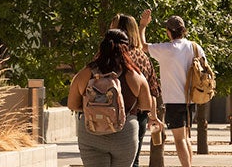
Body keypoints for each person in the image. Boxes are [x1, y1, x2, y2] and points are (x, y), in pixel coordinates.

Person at [68, 29, 162, 167]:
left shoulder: (86, 73)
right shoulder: (134, 76)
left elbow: (72, 105)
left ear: (102, 46)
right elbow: (146, 105)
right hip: (124, 133)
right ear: (126, 49)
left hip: (91, 130)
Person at [139, 9, 200, 167]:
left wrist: (142, 26)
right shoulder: (194, 47)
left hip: (174, 100)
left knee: (179, 139)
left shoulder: (166, 49)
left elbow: (142, 46)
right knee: (186, 138)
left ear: (168, 32)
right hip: (191, 99)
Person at [112, 14, 161, 167]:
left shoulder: (109, 55)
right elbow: (152, 91)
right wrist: (153, 116)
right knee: (133, 161)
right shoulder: (142, 57)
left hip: (109, 113)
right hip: (138, 116)